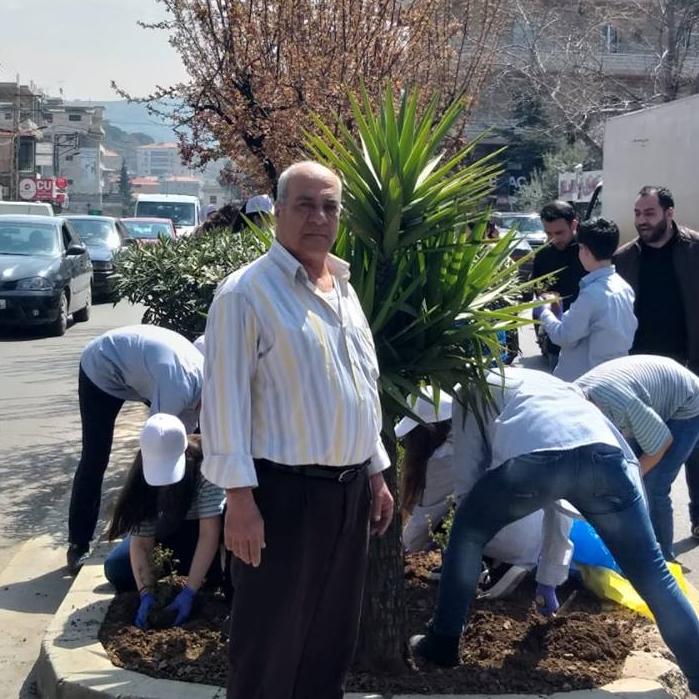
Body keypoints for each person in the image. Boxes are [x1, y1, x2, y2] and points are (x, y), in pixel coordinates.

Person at [200, 161, 394, 699]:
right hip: (280, 495)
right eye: (305, 205)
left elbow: (356, 386)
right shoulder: (246, 294)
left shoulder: (344, 287)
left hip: (348, 493)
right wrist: (238, 498)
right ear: (278, 211)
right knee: (269, 647)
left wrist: (375, 472)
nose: (318, 217)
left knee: (329, 645)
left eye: (329, 206)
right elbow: (224, 404)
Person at [410, 368, 699, 694]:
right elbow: (564, 493)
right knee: (654, 576)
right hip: (608, 461)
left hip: (537, 463)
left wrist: (473, 522)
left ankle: (444, 640)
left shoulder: (469, 390)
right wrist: (549, 576)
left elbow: (468, 475)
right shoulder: (549, 383)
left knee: (467, 531)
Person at [67, 325, 204, 575]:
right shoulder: (179, 388)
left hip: (139, 367)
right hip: (102, 366)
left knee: (181, 448)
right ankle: (78, 544)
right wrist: (142, 522)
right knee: (96, 456)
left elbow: (183, 442)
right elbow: (154, 450)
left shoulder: (201, 383)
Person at [614, 186, 699, 539]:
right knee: (641, 447)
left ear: (669, 212)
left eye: (648, 213)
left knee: (694, 449)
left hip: (690, 364)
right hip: (642, 372)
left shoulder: (695, 250)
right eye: (637, 213)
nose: (641, 221)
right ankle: (641, 525)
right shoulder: (625, 258)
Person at [398, 388, 543, 579]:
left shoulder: (444, 457)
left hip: (510, 538)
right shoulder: (480, 430)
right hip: (538, 531)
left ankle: (475, 564)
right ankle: (495, 561)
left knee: (449, 510)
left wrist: (400, 547)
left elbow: (424, 521)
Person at [104, 414, 225, 628]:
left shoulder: (207, 465)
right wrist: (146, 594)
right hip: (169, 535)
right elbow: (142, 543)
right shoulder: (141, 475)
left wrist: (190, 591)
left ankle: (200, 575)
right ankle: (187, 572)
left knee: (219, 574)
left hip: (205, 539)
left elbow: (209, 534)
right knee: (117, 569)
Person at [576, 355, 699, 560]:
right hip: (650, 391)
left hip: (688, 403)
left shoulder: (619, 405)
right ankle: (634, 549)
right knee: (621, 474)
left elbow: (661, 443)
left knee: (652, 484)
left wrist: (634, 474)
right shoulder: (572, 397)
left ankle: (664, 562)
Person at [535, 218, 637, 381]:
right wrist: (560, 313)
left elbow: (564, 337)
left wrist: (544, 311)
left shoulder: (592, 294)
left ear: (585, 250)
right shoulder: (624, 287)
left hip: (585, 383)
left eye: (580, 247)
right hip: (614, 377)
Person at [531, 201, 586, 371]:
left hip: (588, 341)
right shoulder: (542, 255)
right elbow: (538, 292)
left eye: (559, 232)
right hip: (556, 342)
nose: (553, 239)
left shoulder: (588, 251)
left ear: (574, 224)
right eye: (548, 233)